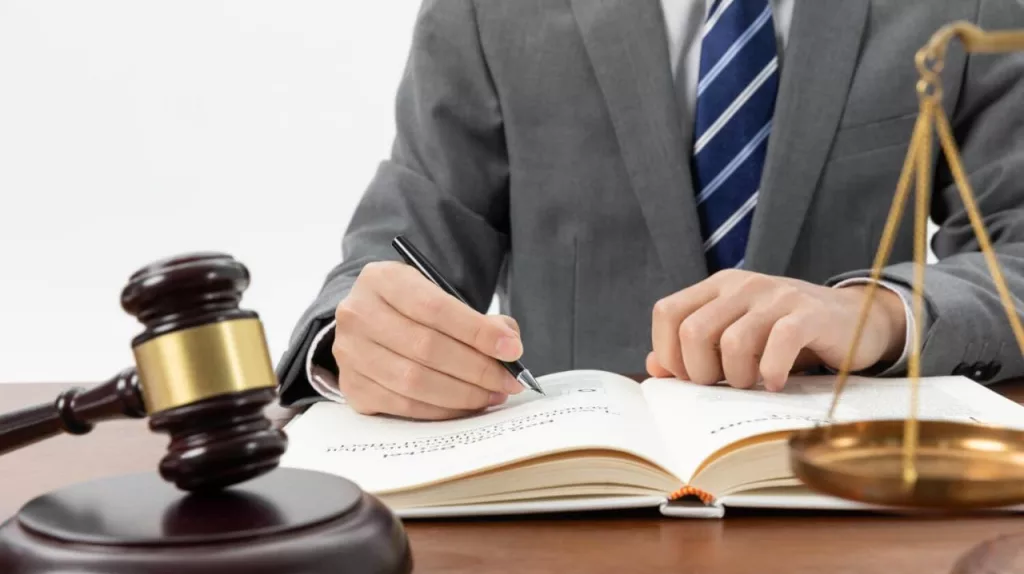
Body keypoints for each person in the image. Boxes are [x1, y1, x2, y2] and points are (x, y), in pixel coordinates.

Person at [276, 0, 1024, 420]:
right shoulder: (486, 13)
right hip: (563, 506)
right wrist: (355, 344)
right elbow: (399, 247)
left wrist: (880, 313)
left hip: (851, 498)